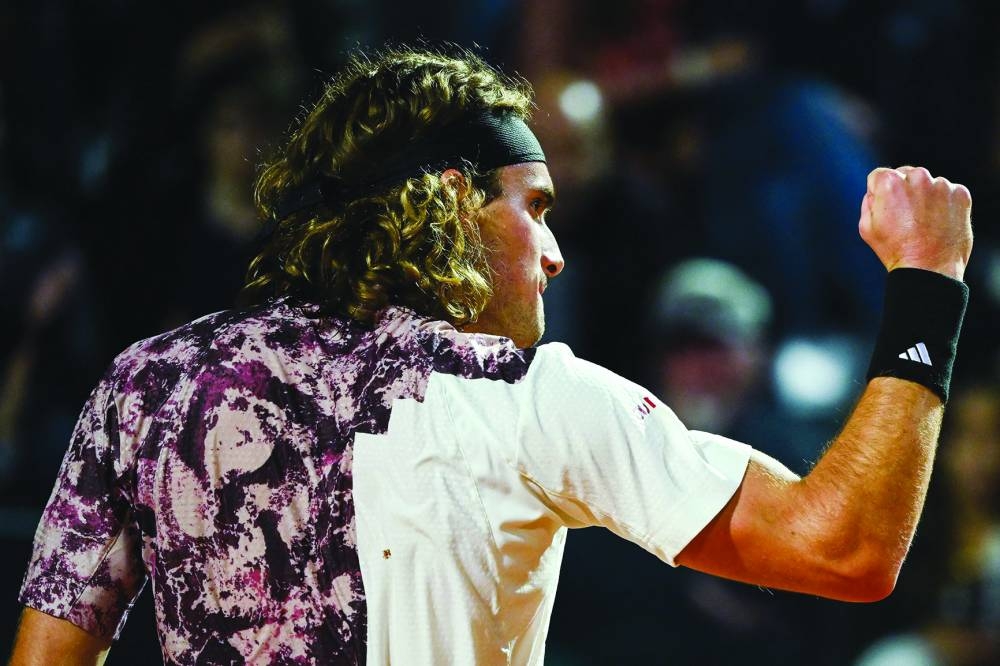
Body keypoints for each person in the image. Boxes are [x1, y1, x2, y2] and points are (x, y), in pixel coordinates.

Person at [9, 46, 973, 665]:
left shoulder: (149, 383)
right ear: (444, 202)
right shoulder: (520, 398)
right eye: (534, 207)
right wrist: (926, 283)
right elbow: (843, 546)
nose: (555, 251)